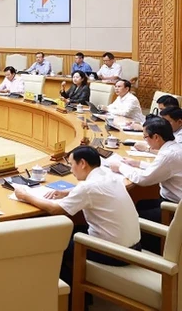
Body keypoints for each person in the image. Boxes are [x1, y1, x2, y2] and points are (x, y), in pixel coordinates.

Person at [14, 145, 140, 284]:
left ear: (82, 163)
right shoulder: (111, 177)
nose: (70, 169)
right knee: (68, 232)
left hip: (113, 253)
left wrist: (26, 196)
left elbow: (56, 209)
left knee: (50, 243)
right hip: (134, 248)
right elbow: (96, 192)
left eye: (71, 164)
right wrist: (69, 192)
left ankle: (70, 293)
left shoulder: (87, 187)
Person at [108, 117, 182, 252]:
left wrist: (120, 167)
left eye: (146, 137)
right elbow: (164, 170)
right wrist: (138, 164)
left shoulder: (168, 155)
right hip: (173, 200)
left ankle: (153, 251)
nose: (144, 141)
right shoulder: (173, 147)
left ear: (156, 137)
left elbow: (143, 179)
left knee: (137, 213)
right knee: (140, 203)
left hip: (175, 207)